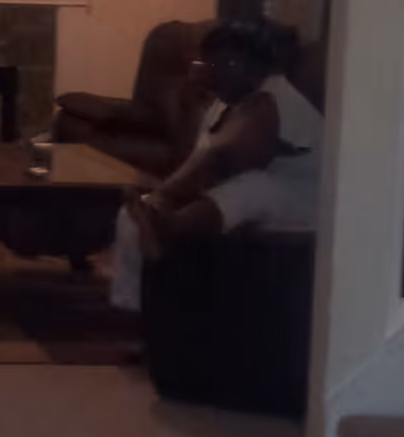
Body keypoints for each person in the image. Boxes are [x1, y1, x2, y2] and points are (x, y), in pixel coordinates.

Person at [110, 20, 321, 313]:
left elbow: (224, 161)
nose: (209, 71)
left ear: (242, 62)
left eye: (216, 63)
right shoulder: (224, 103)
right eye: (206, 63)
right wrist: (189, 104)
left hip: (302, 202)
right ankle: (132, 310)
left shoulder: (271, 100)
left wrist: (166, 195)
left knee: (251, 188)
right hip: (244, 190)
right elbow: (195, 157)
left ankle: (168, 229)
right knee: (130, 215)